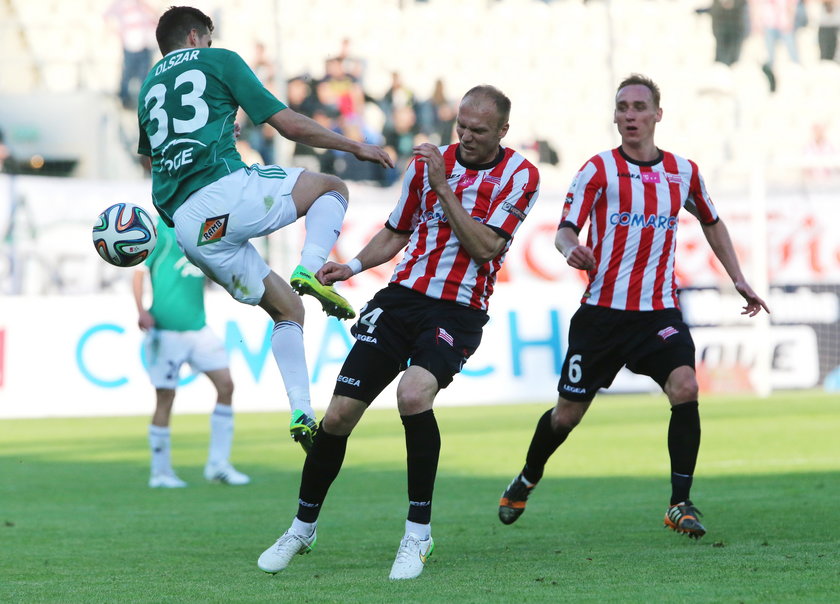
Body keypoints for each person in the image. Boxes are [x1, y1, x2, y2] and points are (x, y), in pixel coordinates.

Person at [257, 85, 540, 580]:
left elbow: (485, 248)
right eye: (462, 128)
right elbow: (396, 230)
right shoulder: (428, 164)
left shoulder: (521, 176)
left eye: (479, 130)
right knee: (339, 414)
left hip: (457, 310)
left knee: (413, 394)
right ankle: (302, 527)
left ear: (502, 131)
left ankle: (418, 534)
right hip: (401, 298)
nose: (467, 137)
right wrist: (352, 267)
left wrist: (445, 186)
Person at [497, 74, 770, 541]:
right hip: (602, 317)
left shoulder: (682, 171)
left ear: (657, 115)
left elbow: (712, 221)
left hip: (658, 314)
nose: (629, 115)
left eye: (639, 107)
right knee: (566, 416)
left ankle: (679, 503)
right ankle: (528, 475)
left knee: (685, 386)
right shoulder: (598, 169)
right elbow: (565, 230)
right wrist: (571, 250)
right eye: (622, 107)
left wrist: (739, 278)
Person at [136, 7, 393, 452]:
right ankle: (311, 267)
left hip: (192, 231)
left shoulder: (146, 88)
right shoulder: (219, 61)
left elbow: (153, 158)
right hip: (226, 191)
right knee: (331, 188)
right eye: (208, 39)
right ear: (197, 36)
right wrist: (354, 145)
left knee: (288, 311)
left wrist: (215, 128)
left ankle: (300, 411)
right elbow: (286, 124)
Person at [134, 218, 249, 488]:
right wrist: (140, 310)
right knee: (165, 396)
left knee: (226, 385)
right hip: (167, 329)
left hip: (198, 327)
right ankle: (160, 472)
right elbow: (138, 273)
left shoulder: (204, 228)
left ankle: (218, 465)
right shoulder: (160, 232)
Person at [104, 0, 157, 110]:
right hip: (130, 44)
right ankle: (123, 98)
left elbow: (153, 18)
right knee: (127, 73)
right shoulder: (120, 4)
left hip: (145, 45)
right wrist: (115, 31)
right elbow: (107, 15)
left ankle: (144, 100)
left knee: (144, 74)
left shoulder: (142, 5)